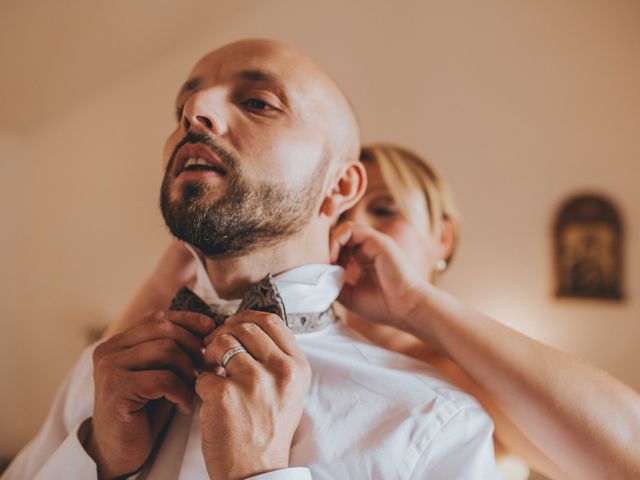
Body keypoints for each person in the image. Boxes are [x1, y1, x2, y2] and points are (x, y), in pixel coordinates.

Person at [2, 40, 498, 479]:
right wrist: (96, 460)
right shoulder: (102, 374)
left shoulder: (433, 423)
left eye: (258, 102)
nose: (194, 111)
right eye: (182, 106)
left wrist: (257, 476)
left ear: (340, 186)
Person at [105, 143, 640, 480]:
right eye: (341, 210)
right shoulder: (245, 340)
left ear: (443, 238)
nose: (354, 227)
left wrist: (417, 307)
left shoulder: (457, 381)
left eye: (386, 209)